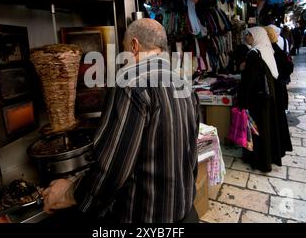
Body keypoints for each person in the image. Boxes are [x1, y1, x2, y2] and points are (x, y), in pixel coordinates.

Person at [41, 19, 201, 223]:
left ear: (134, 46)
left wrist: (68, 193)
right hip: (184, 212)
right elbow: (191, 155)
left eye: (124, 50)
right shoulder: (184, 83)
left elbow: (112, 170)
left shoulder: (130, 81)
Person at [238, 27, 286, 172]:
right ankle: (269, 157)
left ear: (256, 36)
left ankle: (259, 160)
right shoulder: (267, 49)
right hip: (267, 96)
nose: (246, 37)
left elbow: (249, 79)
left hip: (256, 99)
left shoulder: (254, 53)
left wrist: (242, 100)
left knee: (257, 129)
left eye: (249, 35)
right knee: (266, 127)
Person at [264, 26, 293, 154]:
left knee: (276, 118)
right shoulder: (276, 49)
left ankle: (276, 147)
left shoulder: (271, 51)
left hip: (276, 89)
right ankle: (280, 146)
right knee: (279, 118)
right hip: (280, 88)